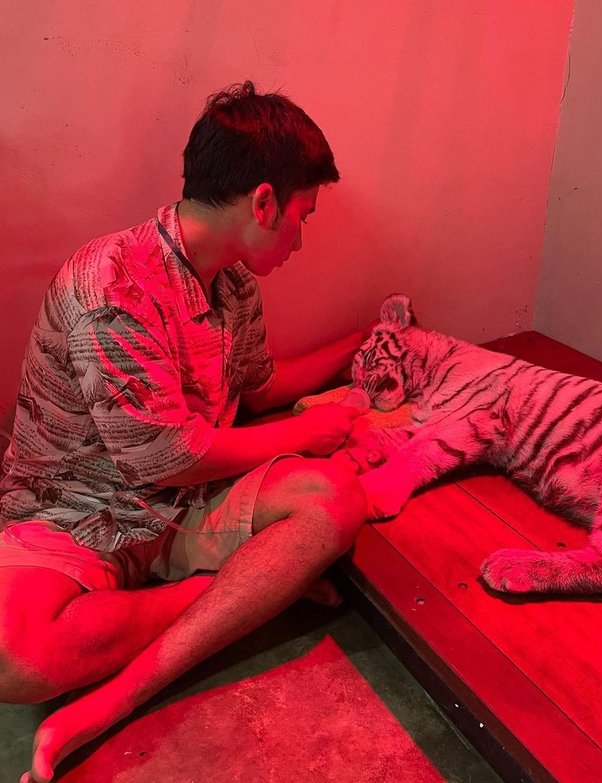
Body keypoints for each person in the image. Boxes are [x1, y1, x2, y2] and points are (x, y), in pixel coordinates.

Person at [0, 81, 370, 783]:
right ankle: (248, 592)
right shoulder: (111, 282)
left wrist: (360, 341)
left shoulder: (233, 281)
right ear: (263, 201)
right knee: (12, 653)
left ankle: (111, 693)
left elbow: (259, 384)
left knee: (337, 495)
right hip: (76, 514)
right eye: (302, 214)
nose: (302, 237)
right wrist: (306, 433)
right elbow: (168, 455)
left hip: (188, 506)